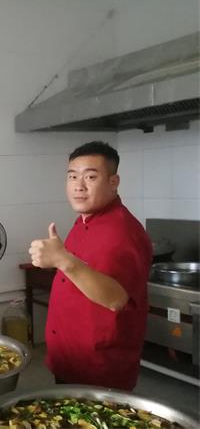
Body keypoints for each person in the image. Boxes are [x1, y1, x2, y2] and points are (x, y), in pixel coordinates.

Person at [28, 141, 152, 391]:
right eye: (72, 176)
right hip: (70, 357)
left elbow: (116, 298)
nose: (79, 186)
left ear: (113, 182)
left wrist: (62, 260)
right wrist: (61, 258)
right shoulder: (85, 220)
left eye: (90, 177)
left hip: (98, 367)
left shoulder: (122, 231)